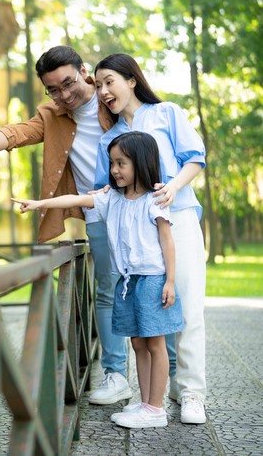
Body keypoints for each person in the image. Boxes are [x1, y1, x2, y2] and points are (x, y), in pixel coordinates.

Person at [0, 46, 132, 405]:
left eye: (68, 83)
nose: (64, 95)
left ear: (83, 70)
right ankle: (116, 375)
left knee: (158, 287)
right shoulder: (53, 115)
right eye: (53, 89)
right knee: (108, 291)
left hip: (139, 208)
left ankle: (175, 375)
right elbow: (15, 133)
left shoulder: (112, 99)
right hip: (100, 214)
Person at [13, 131, 183, 429]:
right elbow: (76, 198)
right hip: (127, 282)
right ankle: (145, 404)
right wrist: (40, 204)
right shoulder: (110, 199)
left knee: (155, 344)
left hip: (153, 280)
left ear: (141, 162)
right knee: (138, 344)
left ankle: (156, 409)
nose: (115, 169)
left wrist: (170, 280)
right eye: (112, 163)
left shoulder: (156, 199)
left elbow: (167, 242)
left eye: (122, 163)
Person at [94, 53, 207, 424]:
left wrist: (172, 188)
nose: (104, 91)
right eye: (98, 85)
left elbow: (195, 157)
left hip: (180, 217)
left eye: (109, 81)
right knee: (146, 316)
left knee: (187, 307)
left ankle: (190, 392)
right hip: (137, 232)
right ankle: (150, 398)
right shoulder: (108, 138)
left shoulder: (167, 113)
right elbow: (105, 189)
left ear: (131, 80)